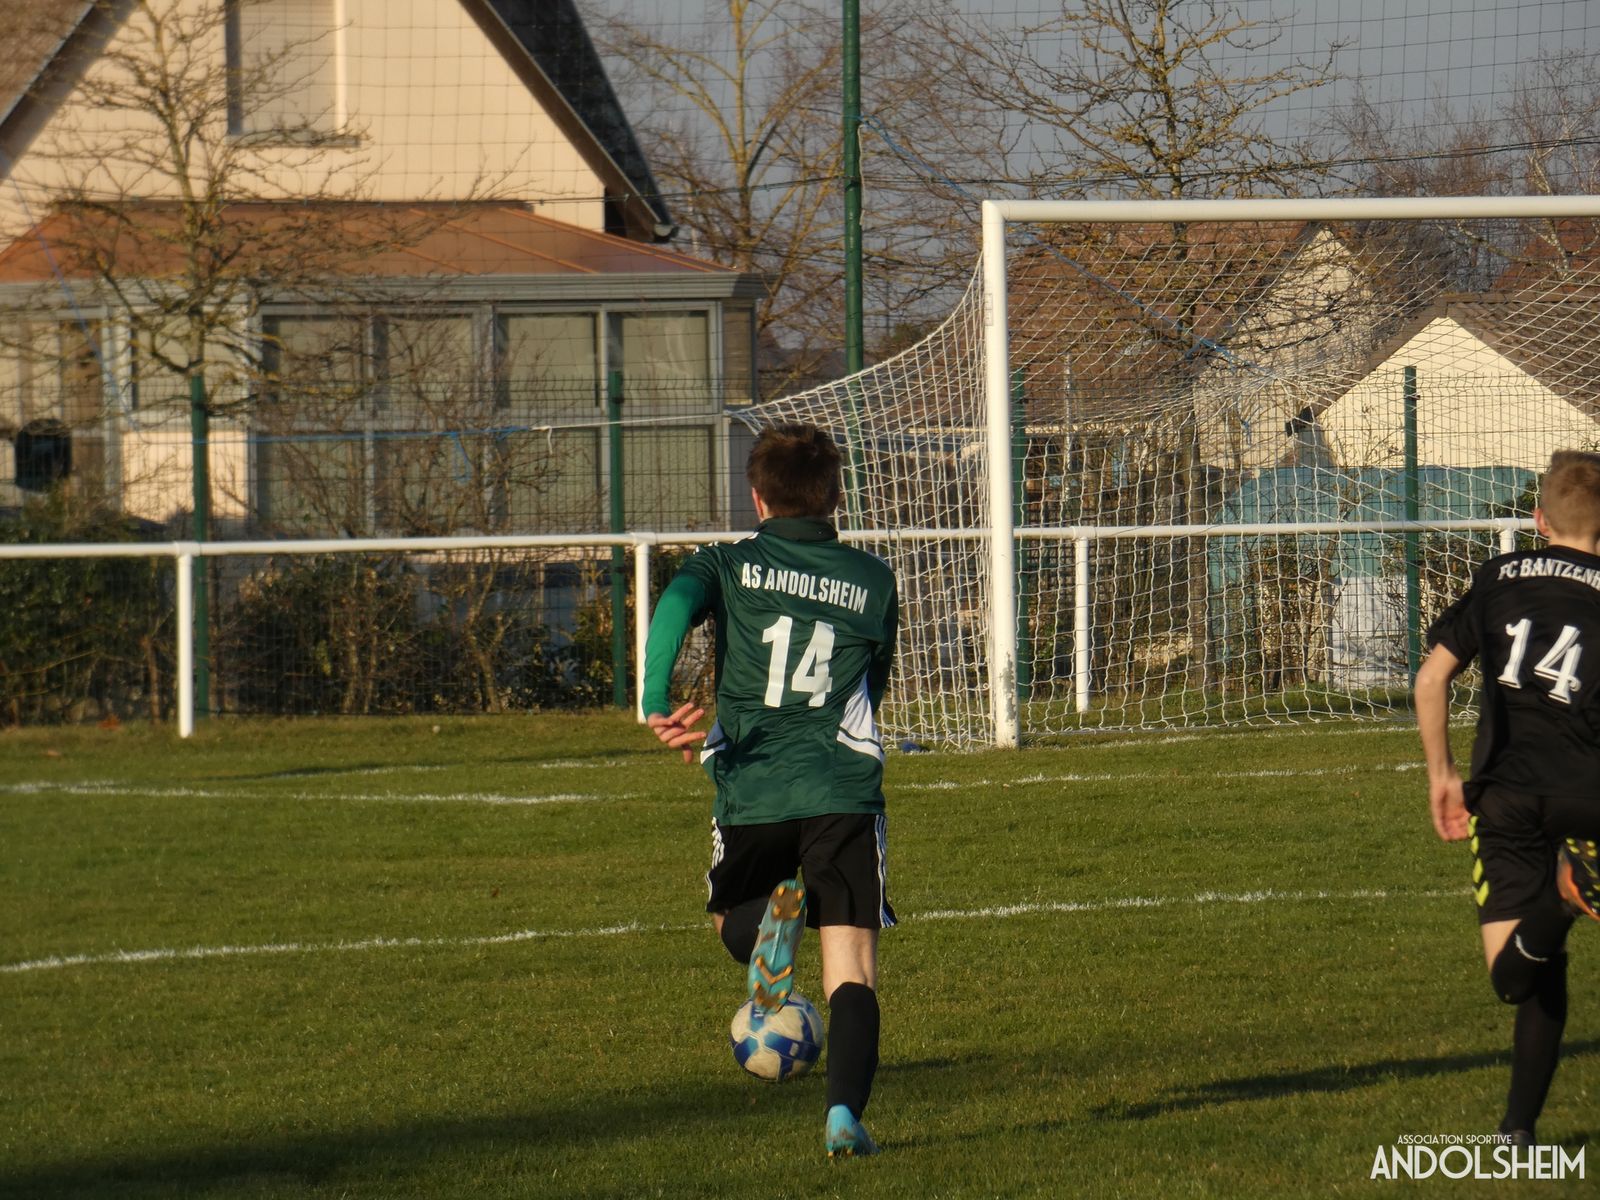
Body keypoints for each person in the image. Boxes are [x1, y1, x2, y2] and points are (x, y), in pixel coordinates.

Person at [641, 422, 900, 1159]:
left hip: (752, 781)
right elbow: (874, 682)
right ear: (836, 497)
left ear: (757, 498)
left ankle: (768, 932)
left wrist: (655, 700)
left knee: (731, 916)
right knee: (851, 967)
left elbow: (672, 607)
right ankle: (843, 1116)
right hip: (841, 784)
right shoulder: (874, 580)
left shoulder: (725, 562)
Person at [1415, 449, 1600, 1145]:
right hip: (1592, 794)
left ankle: (1564, 896)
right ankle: (1518, 1130)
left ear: (1539, 518)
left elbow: (1431, 680)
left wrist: (1442, 775)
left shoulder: (1498, 577)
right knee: (1542, 960)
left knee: (1513, 979)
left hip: (1509, 797)